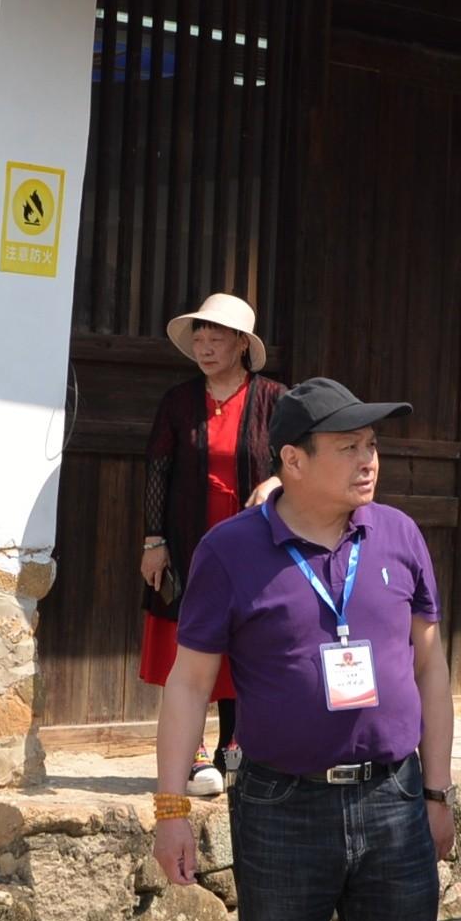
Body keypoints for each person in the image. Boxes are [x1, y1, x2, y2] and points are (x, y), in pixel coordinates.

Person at [152, 378, 459, 921]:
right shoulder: (232, 549)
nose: (369, 458)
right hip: (281, 807)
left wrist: (437, 792)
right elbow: (185, 683)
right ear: (291, 459)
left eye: (373, 443)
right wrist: (172, 808)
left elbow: (431, 669)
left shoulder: (397, 535)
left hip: (393, 801)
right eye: (347, 445)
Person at [138, 293, 283, 798]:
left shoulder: (275, 399)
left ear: (241, 344)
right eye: (199, 336)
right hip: (188, 538)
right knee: (191, 635)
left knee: (246, 635)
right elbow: (157, 469)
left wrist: (275, 484)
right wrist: (153, 540)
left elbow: (298, 457)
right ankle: (195, 751)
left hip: (253, 537)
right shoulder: (178, 401)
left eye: (216, 336)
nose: (204, 345)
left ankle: (235, 747)